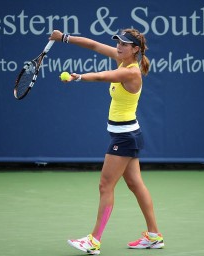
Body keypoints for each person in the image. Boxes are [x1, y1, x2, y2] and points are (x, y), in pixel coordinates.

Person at [49, 28, 164, 255]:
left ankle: (94, 240)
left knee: (105, 186)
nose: (119, 46)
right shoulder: (121, 60)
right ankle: (154, 236)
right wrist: (63, 38)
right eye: (118, 43)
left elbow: (102, 76)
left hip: (125, 137)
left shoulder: (131, 72)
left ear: (135, 50)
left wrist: (78, 76)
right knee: (135, 184)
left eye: (124, 44)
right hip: (127, 135)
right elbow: (93, 45)